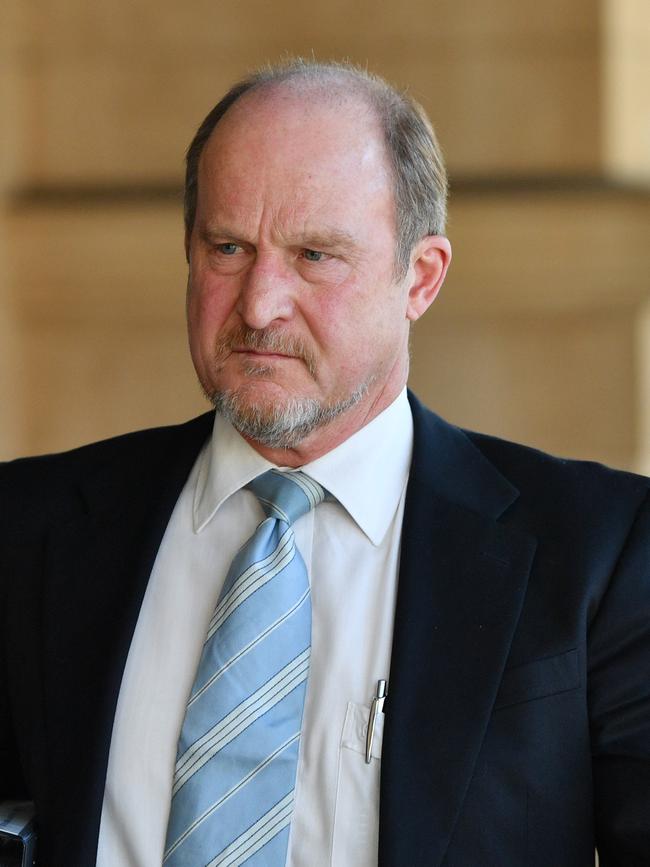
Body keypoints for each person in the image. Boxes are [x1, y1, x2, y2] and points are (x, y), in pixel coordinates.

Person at [1, 59, 649, 867]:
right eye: (228, 246)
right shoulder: (26, 528)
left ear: (420, 278)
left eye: (314, 255)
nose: (260, 304)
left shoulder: (602, 552)